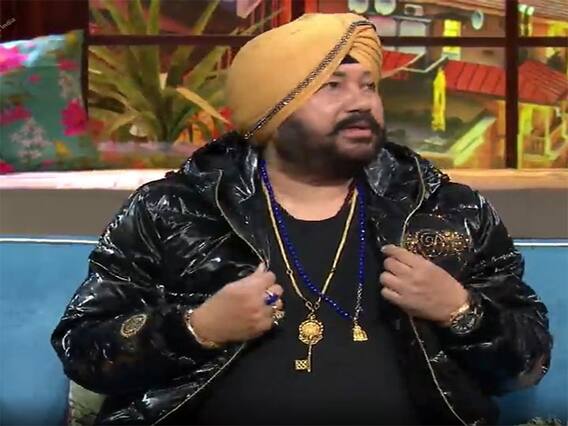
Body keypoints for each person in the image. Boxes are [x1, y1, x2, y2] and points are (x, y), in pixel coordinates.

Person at [51, 13, 552, 426]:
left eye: (368, 85)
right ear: (273, 111)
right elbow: (84, 350)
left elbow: (527, 365)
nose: (361, 102)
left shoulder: (449, 210)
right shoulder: (173, 209)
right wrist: (196, 328)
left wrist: (460, 310)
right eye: (332, 86)